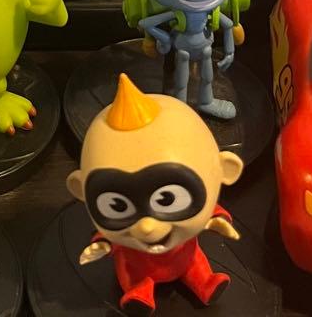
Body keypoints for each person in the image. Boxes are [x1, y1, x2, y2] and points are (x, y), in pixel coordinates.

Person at [67, 73, 244, 312]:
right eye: (118, 206)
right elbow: (104, 236)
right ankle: (140, 293)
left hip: (185, 258)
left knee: (196, 266)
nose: (147, 227)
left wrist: (216, 220)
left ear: (225, 170)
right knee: (134, 277)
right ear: (81, 190)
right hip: (137, 266)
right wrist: (102, 244)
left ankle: (205, 284)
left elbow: (211, 210)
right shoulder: (127, 233)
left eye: (167, 199)